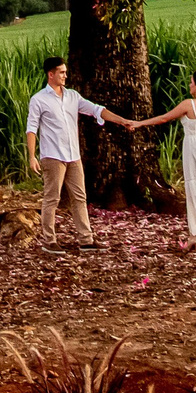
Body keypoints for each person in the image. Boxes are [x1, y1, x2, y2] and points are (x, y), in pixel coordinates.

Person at [22, 55, 119, 248]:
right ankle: (49, 240)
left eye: (65, 72)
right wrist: (32, 156)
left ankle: (86, 239)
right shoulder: (39, 100)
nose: (65, 75)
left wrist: (122, 121)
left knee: (79, 197)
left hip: (73, 156)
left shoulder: (72, 96)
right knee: (52, 198)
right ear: (51, 74)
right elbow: (31, 129)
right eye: (62, 72)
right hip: (53, 156)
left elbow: (95, 110)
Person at [131, 69, 196, 251]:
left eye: (192, 82)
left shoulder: (189, 104)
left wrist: (139, 123)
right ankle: (194, 235)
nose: (190, 85)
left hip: (195, 151)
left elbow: (164, 118)